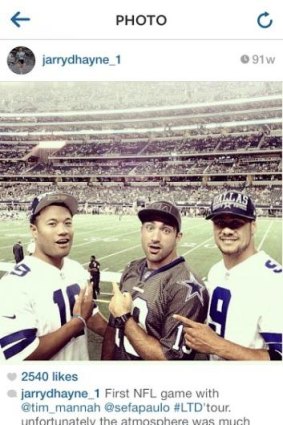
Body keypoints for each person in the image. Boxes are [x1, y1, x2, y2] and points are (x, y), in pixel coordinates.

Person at [174, 191, 282, 361]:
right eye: (219, 223)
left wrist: (216, 345)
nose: (226, 230)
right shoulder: (216, 270)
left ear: (253, 226)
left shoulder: (275, 282)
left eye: (236, 223)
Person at [0, 192, 107, 361]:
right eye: (52, 224)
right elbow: (22, 355)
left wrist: (126, 333)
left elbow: (91, 315)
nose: (63, 231)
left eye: (68, 223)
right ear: (34, 230)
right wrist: (78, 322)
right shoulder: (13, 285)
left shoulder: (76, 269)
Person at [101, 200, 209, 360]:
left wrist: (125, 318)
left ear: (178, 237)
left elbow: (169, 360)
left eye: (165, 230)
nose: (155, 237)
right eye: (150, 228)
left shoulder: (187, 287)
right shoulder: (132, 268)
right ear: (141, 231)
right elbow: (113, 329)